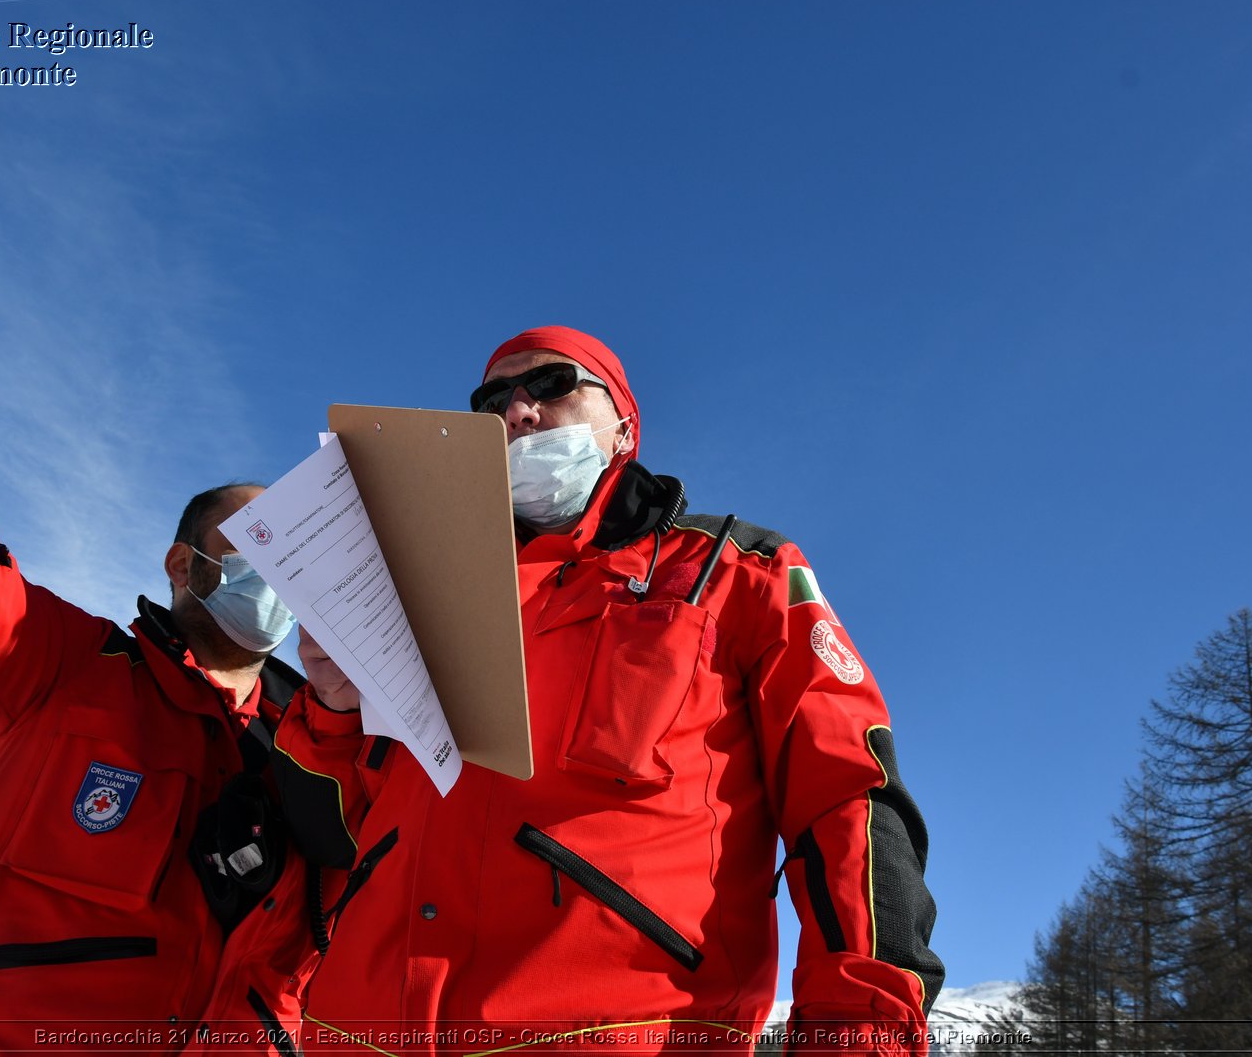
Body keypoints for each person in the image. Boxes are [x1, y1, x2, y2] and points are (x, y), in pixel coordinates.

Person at [277, 326, 943, 1055]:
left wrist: (863, 1026)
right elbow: (337, 837)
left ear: (624, 422)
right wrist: (335, 711)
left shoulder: (737, 572)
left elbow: (846, 792)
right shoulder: (416, 594)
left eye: (552, 384)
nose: (519, 410)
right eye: (493, 397)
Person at [0, 231, 334, 1054]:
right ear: (184, 563)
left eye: (296, 552)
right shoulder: (72, 669)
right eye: (256, 544)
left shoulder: (321, 755)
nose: (278, 574)